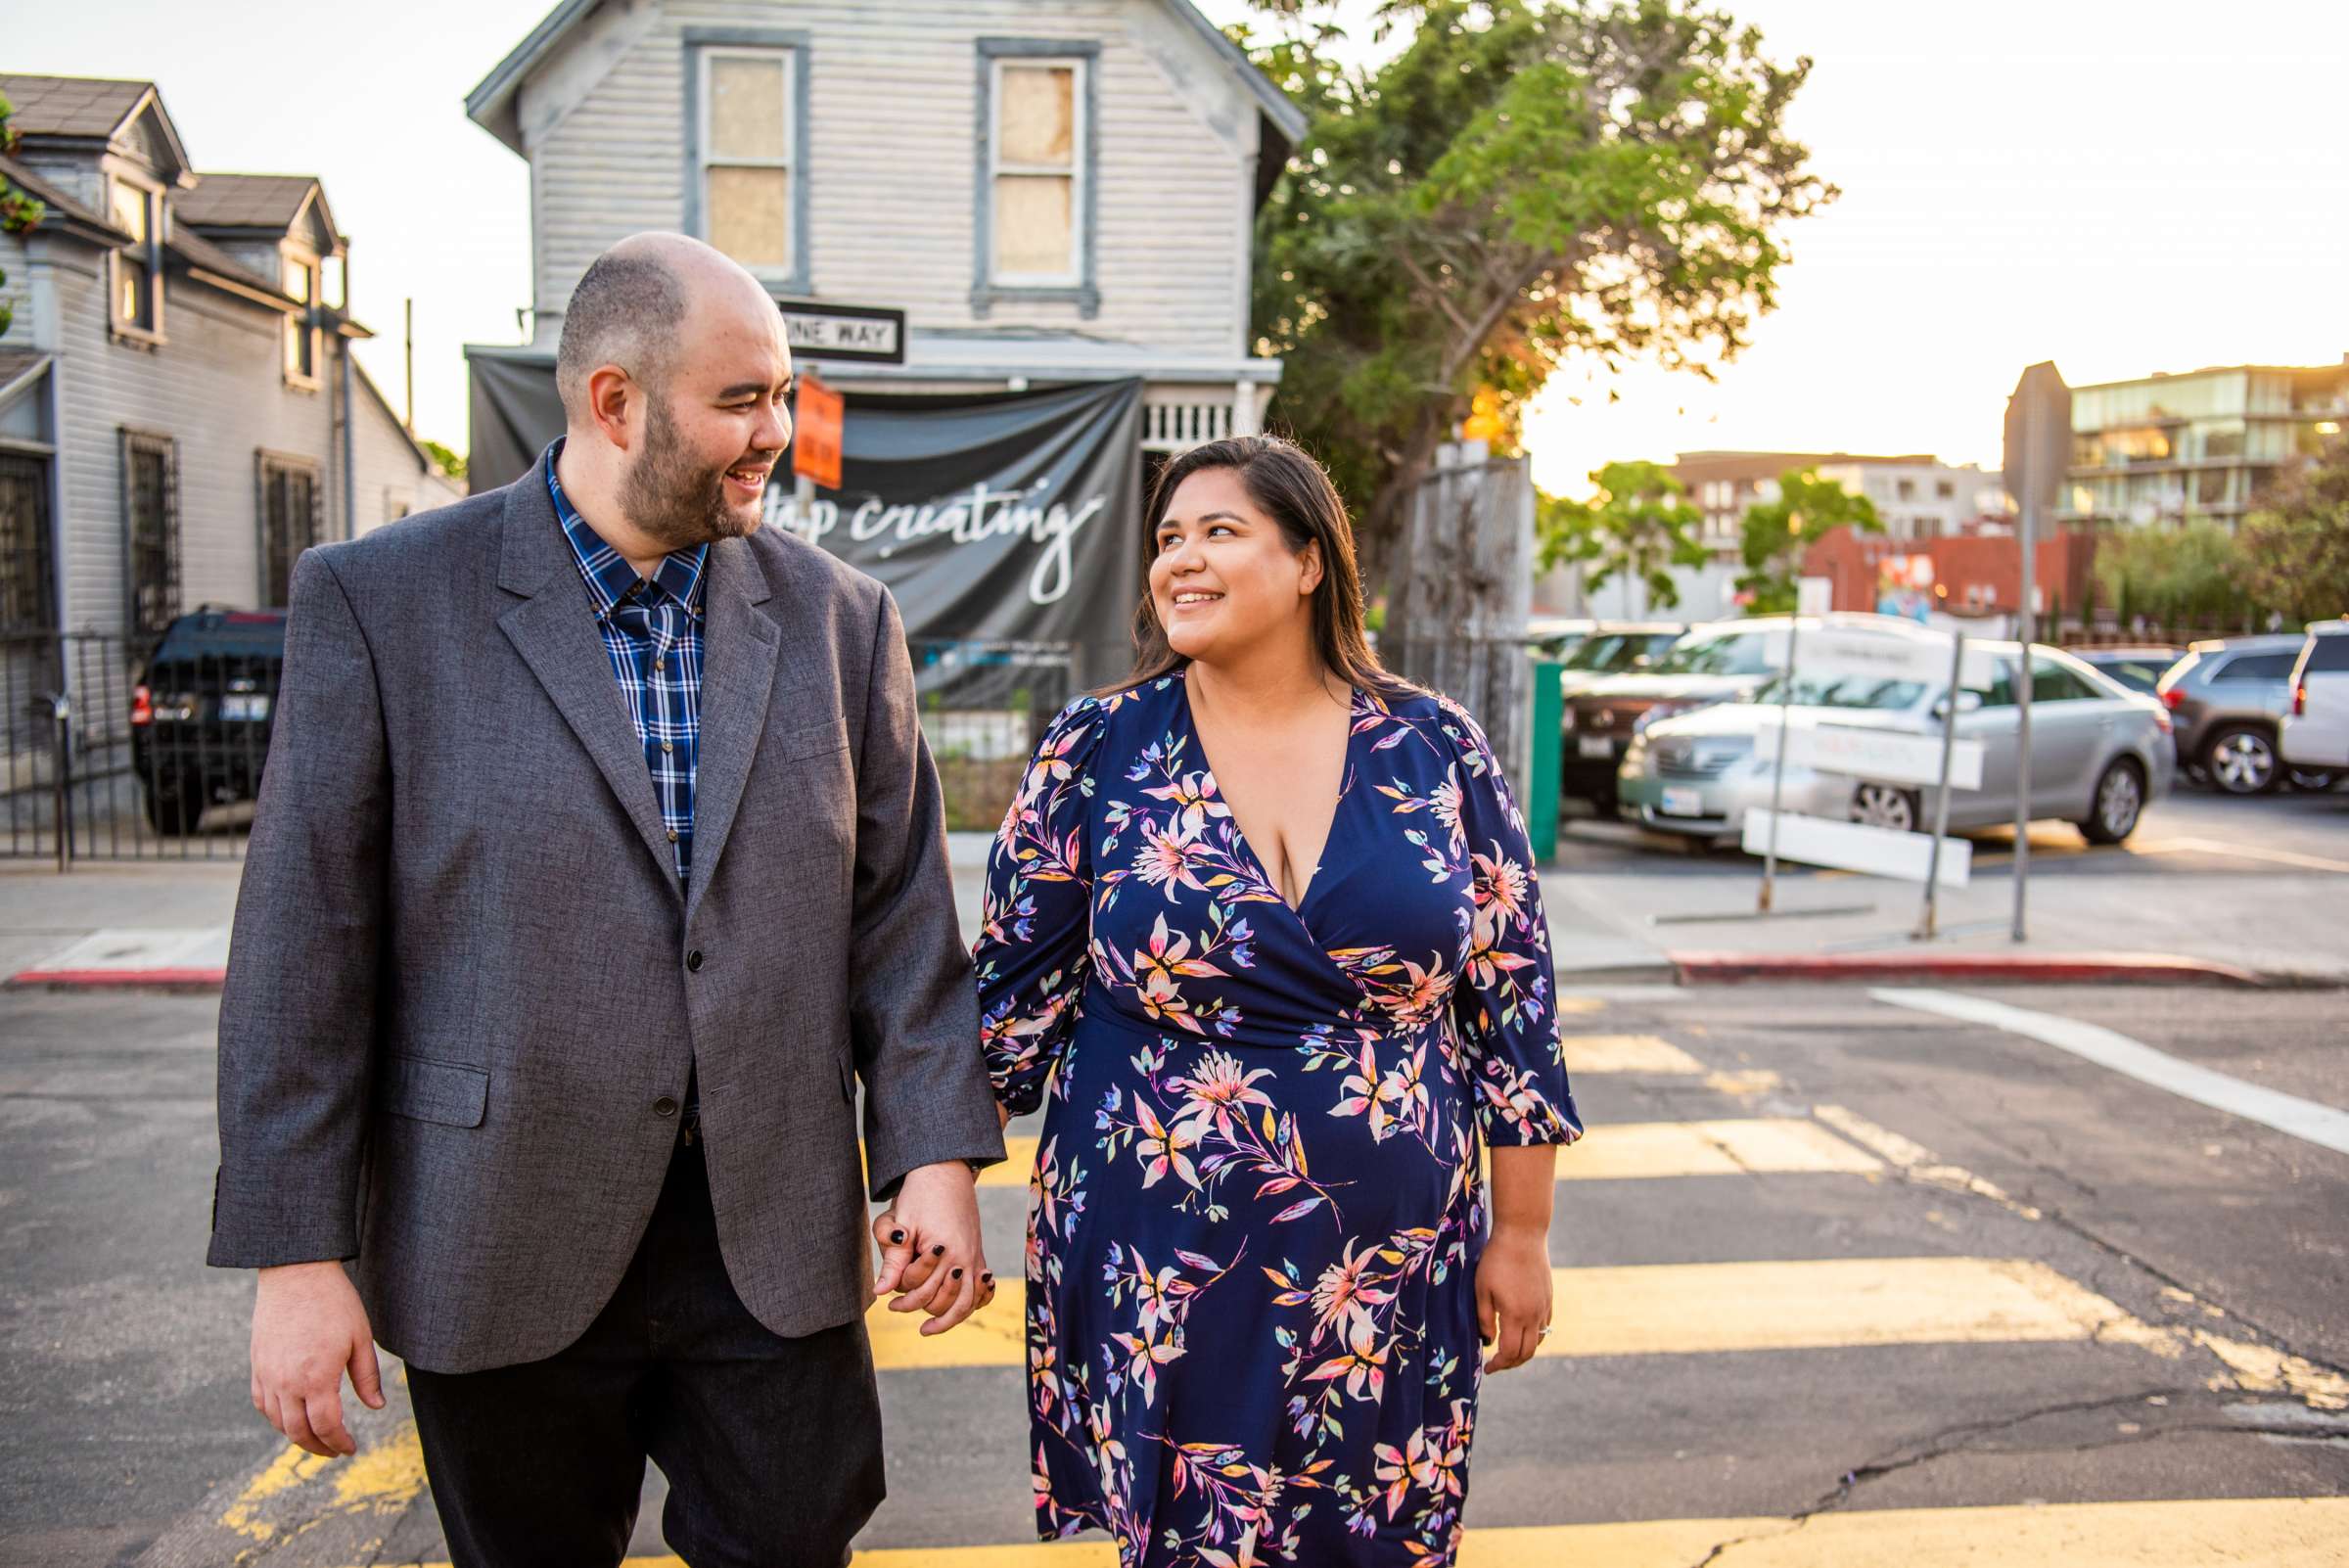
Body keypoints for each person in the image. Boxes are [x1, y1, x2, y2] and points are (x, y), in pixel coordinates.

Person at [208, 232, 1003, 1568]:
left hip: (773, 1239)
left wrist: (935, 1155)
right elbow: (306, 944)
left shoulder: (842, 620)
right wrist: (298, 1258)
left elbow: (900, 920)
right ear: (615, 400)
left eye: (786, 395)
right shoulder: (382, 600)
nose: (779, 433)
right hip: (497, 1226)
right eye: (742, 398)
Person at [971, 435, 1584, 1566]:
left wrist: (1525, 1233)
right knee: (1195, 1542)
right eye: (1167, 538)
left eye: (1219, 531)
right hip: (1165, 1244)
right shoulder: (1097, 748)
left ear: (1310, 562)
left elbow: (1514, 1011)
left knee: (1377, 1537)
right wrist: (933, 1180)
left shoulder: (1433, 748)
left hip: (1390, 1261)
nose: (1180, 560)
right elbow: (1005, 1001)